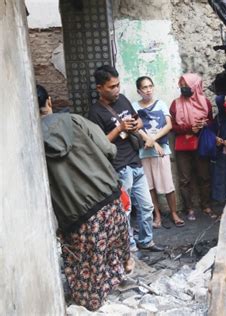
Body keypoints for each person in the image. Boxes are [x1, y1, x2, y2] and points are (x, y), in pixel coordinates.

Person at [37, 84, 133, 311]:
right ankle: (119, 276)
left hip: (77, 214)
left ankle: (92, 301)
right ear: (49, 101)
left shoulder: (32, 140)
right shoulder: (75, 121)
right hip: (108, 199)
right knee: (112, 247)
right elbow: (109, 150)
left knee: (86, 263)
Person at [88, 65, 163, 252]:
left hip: (135, 161)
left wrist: (135, 124)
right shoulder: (95, 112)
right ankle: (129, 248)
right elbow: (100, 143)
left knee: (147, 206)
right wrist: (120, 128)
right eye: (111, 87)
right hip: (119, 166)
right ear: (99, 88)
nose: (116, 90)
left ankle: (146, 241)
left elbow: (138, 120)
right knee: (125, 210)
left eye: (118, 85)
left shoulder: (122, 99)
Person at [132, 76, 185, 228]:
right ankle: (157, 215)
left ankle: (174, 213)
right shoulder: (134, 107)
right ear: (139, 91)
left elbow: (168, 126)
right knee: (150, 187)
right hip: (144, 152)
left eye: (150, 86)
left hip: (162, 150)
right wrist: (152, 142)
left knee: (168, 184)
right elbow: (136, 127)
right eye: (144, 87)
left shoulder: (161, 104)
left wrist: (153, 140)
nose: (148, 90)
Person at [170, 73, 215, 220]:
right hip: (183, 146)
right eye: (181, 85)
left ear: (195, 86)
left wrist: (204, 125)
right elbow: (173, 127)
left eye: (186, 85)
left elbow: (212, 123)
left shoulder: (205, 103)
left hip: (201, 144)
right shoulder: (175, 104)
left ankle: (206, 205)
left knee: (204, 176)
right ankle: (189, 208)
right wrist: (190, 128)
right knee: (185, 179)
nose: (183, 88)